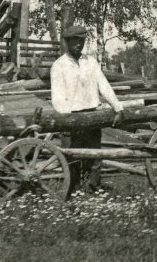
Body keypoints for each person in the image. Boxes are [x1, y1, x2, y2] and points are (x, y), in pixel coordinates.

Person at [50, 24, 122, 196]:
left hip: (92, 115)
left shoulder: (90, 62)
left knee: (94, 155)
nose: (78, 44)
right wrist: (66, 120)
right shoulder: (59, 66)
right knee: (71, 157)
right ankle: (71, 191)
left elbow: (104, 86)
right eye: (74, 41)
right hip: (71, 117)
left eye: (81, 41)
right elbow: (58, 97)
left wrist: (118, 108)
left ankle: (93, 189)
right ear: (67, 42)